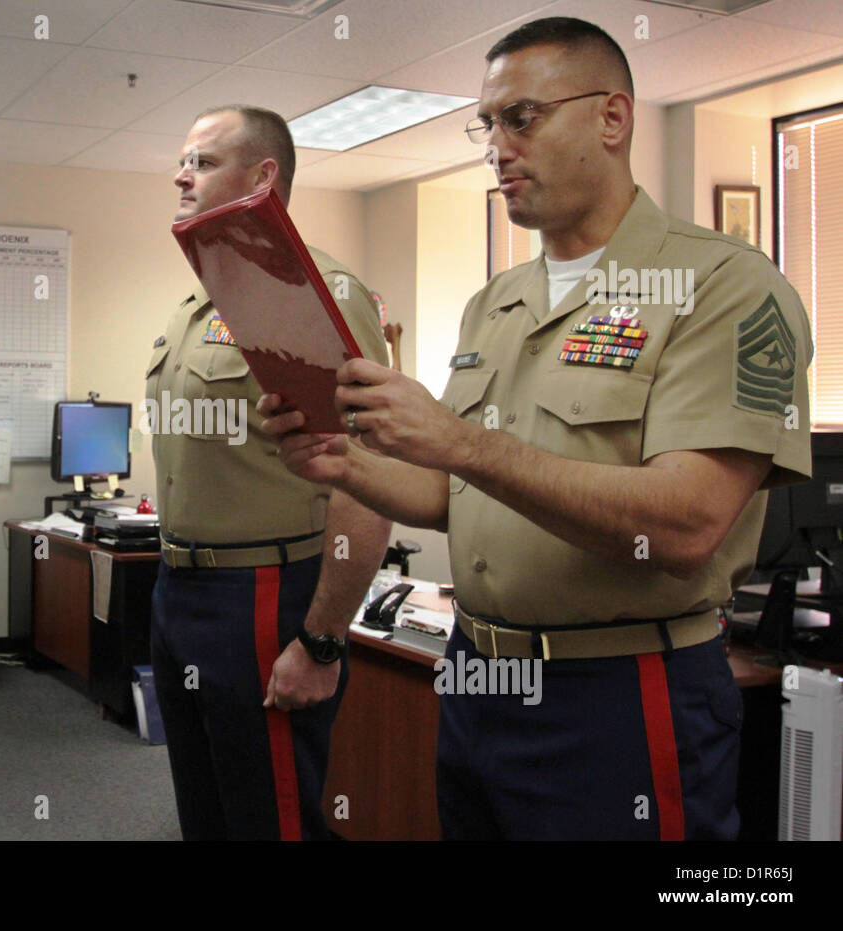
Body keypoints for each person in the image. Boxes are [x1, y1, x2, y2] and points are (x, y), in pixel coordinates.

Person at [259, 17, 813, 840]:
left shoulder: (723, 285)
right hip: (479, 676)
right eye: (486, 123)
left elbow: (688, 520)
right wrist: (335, 460)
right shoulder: (499, 301)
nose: (496, 146)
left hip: (619, 687)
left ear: (612, 118)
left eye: (522, 117)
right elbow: (451, 494)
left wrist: (462, 443)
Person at [148, 105, 391, 841]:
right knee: (207, 810)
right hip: (180, 589)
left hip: (262, 593)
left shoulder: (312, 292)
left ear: (263, 177)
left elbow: (365, 475)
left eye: (204, 160)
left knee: (271, 816)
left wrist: (322, 639)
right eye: (183, 159)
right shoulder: (198, 298)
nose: (181, 174)